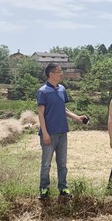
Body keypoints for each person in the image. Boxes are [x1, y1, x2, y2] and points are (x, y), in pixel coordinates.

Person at [36, 63, 88, 200]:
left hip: (62, 132)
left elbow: (63, 109)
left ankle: (63, 188)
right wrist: (45, 133)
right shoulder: (42, 91)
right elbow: (40, 114)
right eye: (59, 71)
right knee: (46, 163)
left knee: (62, 163)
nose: (61, 74)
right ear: (51, 74)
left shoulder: (62, 89)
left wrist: (77, 117)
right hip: (49, 134)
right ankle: (44, 188)